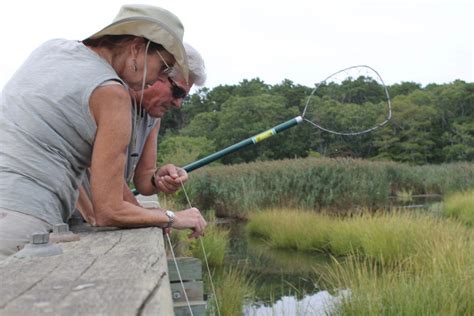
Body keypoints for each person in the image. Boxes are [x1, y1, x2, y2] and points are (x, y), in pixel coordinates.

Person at [0, 4, 207, 260]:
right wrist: (172, 218)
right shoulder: (112, 93)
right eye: (163, 68)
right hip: (23, 220)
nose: (158, 78)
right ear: (137, 48)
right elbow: (108, 210)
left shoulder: (51, 49)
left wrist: (149, 214)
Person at [77, 43, 207, 225]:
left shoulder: (153, 117)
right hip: (74, 217)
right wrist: (159, 217)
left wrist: (159, 178)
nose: (178, 103)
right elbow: (101, 178)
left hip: (100, 220)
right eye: (177, 92)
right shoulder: (109, 97)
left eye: (183, 97)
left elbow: (144, 179)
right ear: (159, 73)